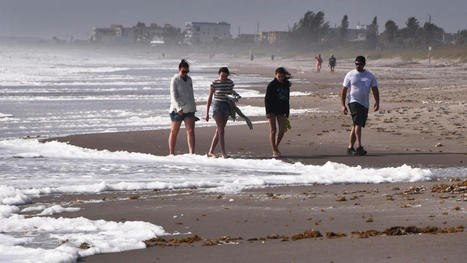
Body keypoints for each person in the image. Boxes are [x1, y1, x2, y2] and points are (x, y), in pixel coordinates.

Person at [340, 56, 380, 156]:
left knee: (356, 125)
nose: (357, 66)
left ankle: (350, 147)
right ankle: (359, 147)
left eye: (359, 64)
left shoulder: (370, 76)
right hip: (353, 101)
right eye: (356, 64)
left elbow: (375, 89)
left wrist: (377, 102)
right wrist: (343, 105)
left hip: (365, 104)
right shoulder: (350, 74)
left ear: (364, 64)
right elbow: (344, 91)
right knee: (357, 124)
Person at [205, 67, 239, 158]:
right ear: (219, 74)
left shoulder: (230, 83)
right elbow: (209, 98)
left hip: (226, 106)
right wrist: (207, 113)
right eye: (222, 76)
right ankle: (224, 152)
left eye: (225, 76)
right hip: (217, 106)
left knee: (219, 130)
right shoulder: (214, 83)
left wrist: (235, 98)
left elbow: (231, 93)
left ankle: (211, 151)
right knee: (221, 130)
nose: (223, 78)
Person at [168, 59, 197, 155]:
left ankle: (191, 153)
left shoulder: (189, 79)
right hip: (177, 110)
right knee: (174, 131)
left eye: (187, 72)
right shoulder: (175, 80)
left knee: (190, 131)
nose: (185, 73)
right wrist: (178, 108)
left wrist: (193, 109)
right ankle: (172, 153)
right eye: (183, 71)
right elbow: (173, 96)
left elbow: (191, 95)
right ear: (179, 69)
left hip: (189, 109)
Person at [265, 67, 291, 158]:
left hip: (282, 110)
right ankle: (274, 150)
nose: (280, 78)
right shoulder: (271, 85)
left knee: (282, 130)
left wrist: (287, 112)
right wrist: (267, 112)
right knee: (273, 130)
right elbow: (267, 99)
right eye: (279, 76)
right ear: (276, 75)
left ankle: (275, 146)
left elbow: (287, 99)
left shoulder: (286, 85)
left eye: (282, 76)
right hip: (271, 110)